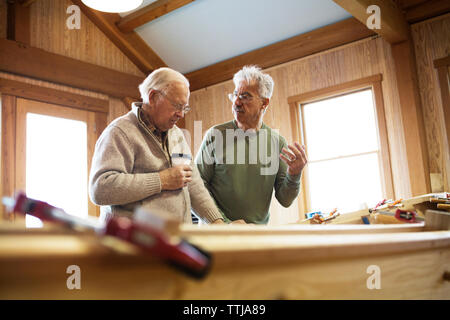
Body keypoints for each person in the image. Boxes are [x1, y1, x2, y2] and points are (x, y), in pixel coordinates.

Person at [89, 67, 231, 224]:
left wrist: (218, 223)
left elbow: (193, 184)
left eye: (185, 108)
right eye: (177, 105)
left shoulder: (176, 133)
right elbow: (100, 189)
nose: (181, 114)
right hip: (136, 243)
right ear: (153, 97)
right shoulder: (120, 132)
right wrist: (161, 180)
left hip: (176, 238)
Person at [195, 65, 308, 224]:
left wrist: (294, 175)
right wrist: (224, 224)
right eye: (235, 94)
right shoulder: (215, 135)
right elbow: (196, 187)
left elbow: (285, 199)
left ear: (264, 103)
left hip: (255, 237)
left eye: (245, 96)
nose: (236, 102)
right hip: (216, 235)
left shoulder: (277, 143)